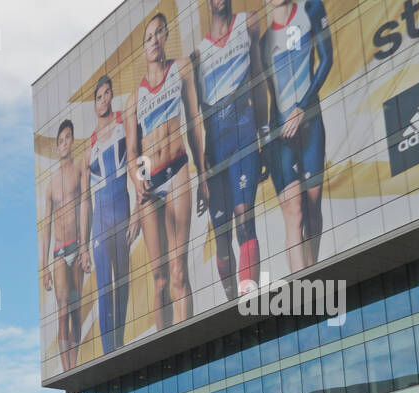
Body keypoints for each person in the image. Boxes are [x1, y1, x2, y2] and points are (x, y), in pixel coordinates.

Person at [125, 10, 209, 332]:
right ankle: (163, 349)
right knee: (158, 278)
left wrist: (202, 175)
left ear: (166, 36)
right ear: (144, 49)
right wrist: (138, 178)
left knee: (177, 270)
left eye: (159, 33)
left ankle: (185, 342)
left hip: (177, 170)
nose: (155, 40)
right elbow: (134, 151)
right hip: (151, 183)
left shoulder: (181, 69)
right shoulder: (135, 99)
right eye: (149, 38)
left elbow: (193, 121)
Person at [192, 0, 266, 298]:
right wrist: (200, 170)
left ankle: (251, 303)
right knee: (221, 239)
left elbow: (259, 79)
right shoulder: (197, 55)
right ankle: (232, 305)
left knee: (245, 222)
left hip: (244, 130)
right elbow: (194, 119)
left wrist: (264, 133)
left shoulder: (248, 23)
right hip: (215, 146)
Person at [260, 0, 332, 272]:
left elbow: (327, 59)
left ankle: (311, 271)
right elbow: (271, 95)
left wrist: (303, 106)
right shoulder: (265, 41)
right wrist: (267, 144)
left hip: (311, 125)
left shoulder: (311, 8)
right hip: (282, 137)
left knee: (312, 210)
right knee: (294, 213)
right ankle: (302, 295)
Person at [80, 74, 135, 355]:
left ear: (112, 96)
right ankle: (107, 352)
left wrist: (136, 212)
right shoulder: (88, 147)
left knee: (122, 279)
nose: (103, 100)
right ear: (94, 104)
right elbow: (84, 201)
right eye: (98, 97)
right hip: (101, 219)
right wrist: (84, 246)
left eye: (106, 94)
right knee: (104, 288)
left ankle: (120, 342)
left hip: (122, 208)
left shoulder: (123, 123)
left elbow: (137, 159)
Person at [41, 120, 86, 371]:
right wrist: (43, 267)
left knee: (76, 311)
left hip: (76, 246)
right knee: (63, 311)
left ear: (72, 141)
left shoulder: (78, 171)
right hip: (59, 252)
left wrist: (86, 245)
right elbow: (45, 228)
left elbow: (86, 205)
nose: (64, 143)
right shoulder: (50, 185)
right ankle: (67, 368)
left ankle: (76, 364)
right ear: (57, 148)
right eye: (60, 141)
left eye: (68, 138)